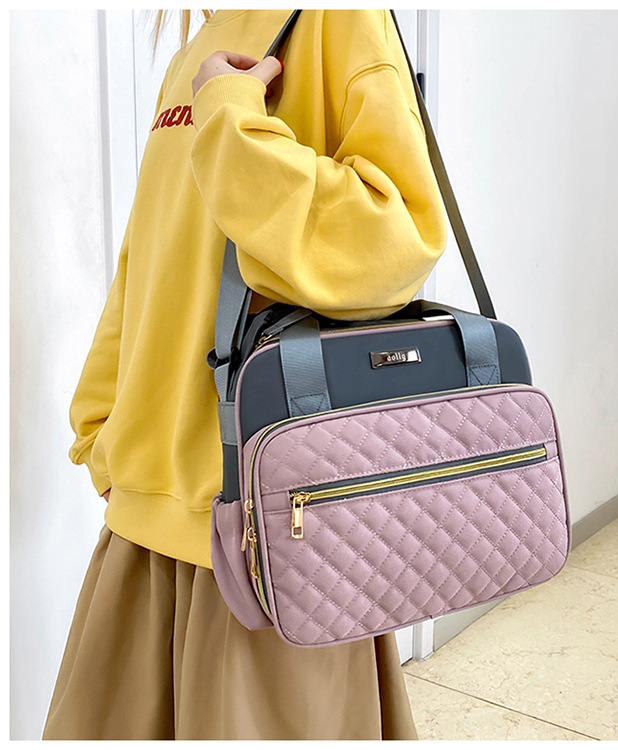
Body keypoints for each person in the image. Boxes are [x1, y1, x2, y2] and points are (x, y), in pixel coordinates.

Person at [42, 8, 447, 740]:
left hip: (267, 532)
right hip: (143, 516)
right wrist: (100, 423)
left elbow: (397, 237)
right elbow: (148, 256)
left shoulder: (335, 20)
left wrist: (231, 117)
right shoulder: (194, 48)